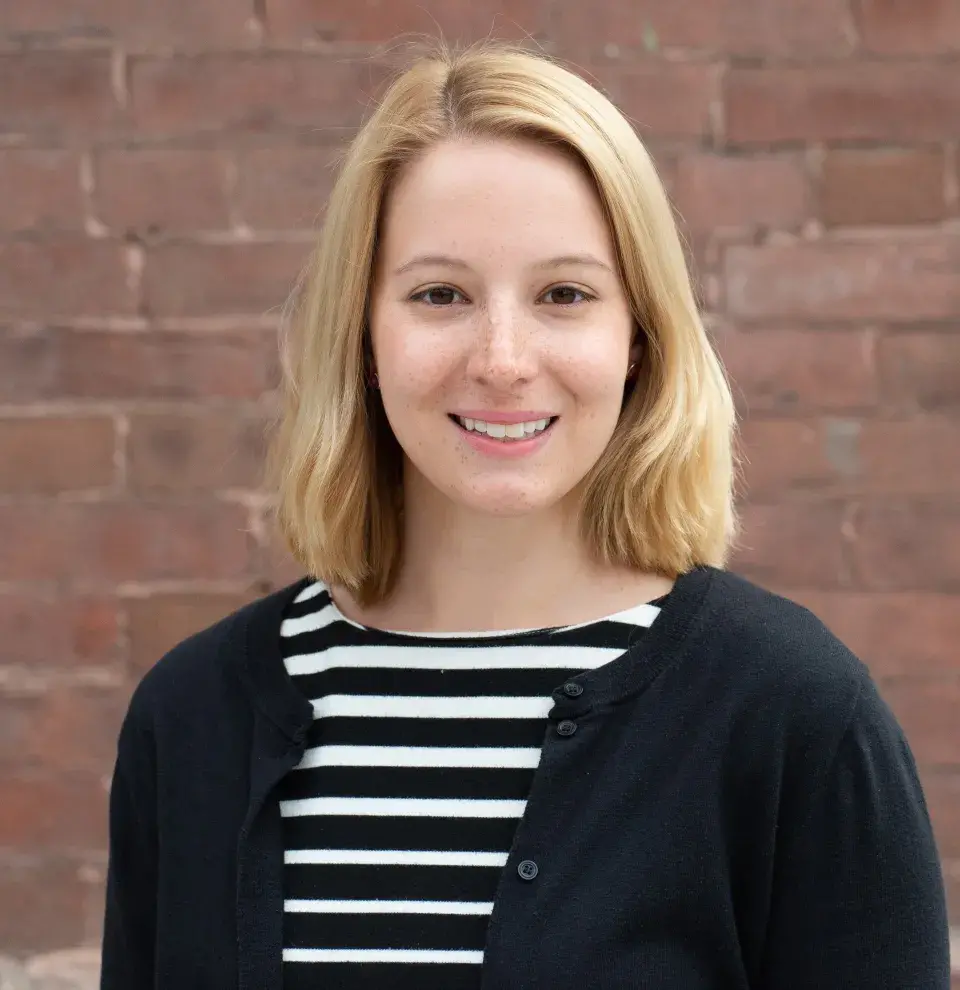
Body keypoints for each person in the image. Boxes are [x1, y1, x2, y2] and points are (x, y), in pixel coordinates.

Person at [100, 41, 951, 990]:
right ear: (363, 336)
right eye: (440, 294)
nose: (503, 358)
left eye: (564, 294)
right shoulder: (191, 719)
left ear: (638, 338)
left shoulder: (793, 713)